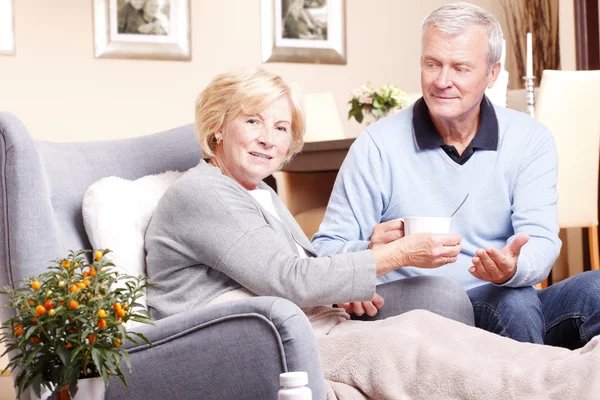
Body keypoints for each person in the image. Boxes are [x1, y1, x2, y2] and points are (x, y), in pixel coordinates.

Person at [144, 67, 600, 399]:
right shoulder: (202, 193)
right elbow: (289, 279)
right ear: (217, 127)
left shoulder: (255, 192)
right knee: (408, 347)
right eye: (252, 121)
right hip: (257, 341)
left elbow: (293, 268)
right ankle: (568, 385)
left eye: (281, 127)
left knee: (423, 325)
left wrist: (366, 250)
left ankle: (575, 372)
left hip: (310, 325)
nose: (269, 138)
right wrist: (398, 254)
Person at [312, 1, 600, 348]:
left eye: (460, 68)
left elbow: (539, 240)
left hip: (508, 293)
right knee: (515, 304)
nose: (442, 81)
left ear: (492, 73)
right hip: (428, 308)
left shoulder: (529, 139)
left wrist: (511, 267)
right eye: (432, 64)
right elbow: (325, 251)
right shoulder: (377, 144)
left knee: (592, 290)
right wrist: (372, 252)